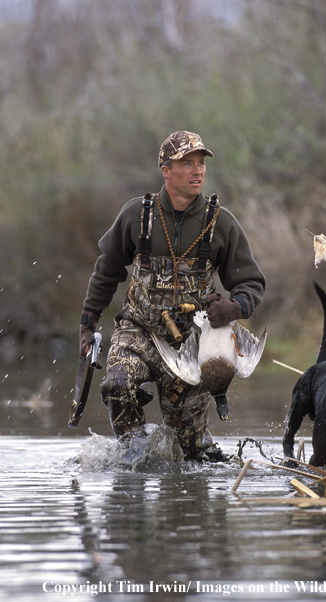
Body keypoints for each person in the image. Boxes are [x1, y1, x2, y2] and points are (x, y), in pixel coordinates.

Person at [79, 130, 265, 460]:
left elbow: (251, 283)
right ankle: (133, 460)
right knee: (119, 385)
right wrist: (88, 321)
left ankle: (191, 450)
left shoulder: (221, 223)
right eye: (187, 164)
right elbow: (107, 270)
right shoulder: (137, 215)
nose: (198, 171)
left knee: (193, 453)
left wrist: (232, 309)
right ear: (166, 170)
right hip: (137, 332)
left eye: (201, 164)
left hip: (191, 345)